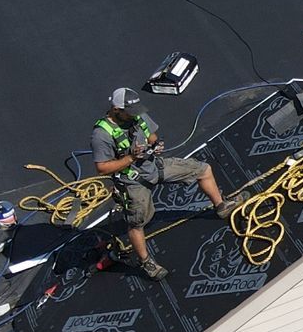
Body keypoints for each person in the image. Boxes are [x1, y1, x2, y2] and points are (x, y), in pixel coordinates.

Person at [91, 88, 236, 279]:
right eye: (130, 111)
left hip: (154, 166)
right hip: (132, 181)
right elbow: (102, 168)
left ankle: (221, 206)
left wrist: (156, 145)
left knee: (203, 170)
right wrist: (131, 158)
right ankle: (146, 263)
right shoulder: (101, 135)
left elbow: (152, 137)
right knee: (137, 223)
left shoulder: (137, 115)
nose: (136, 114)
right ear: (117, 110)